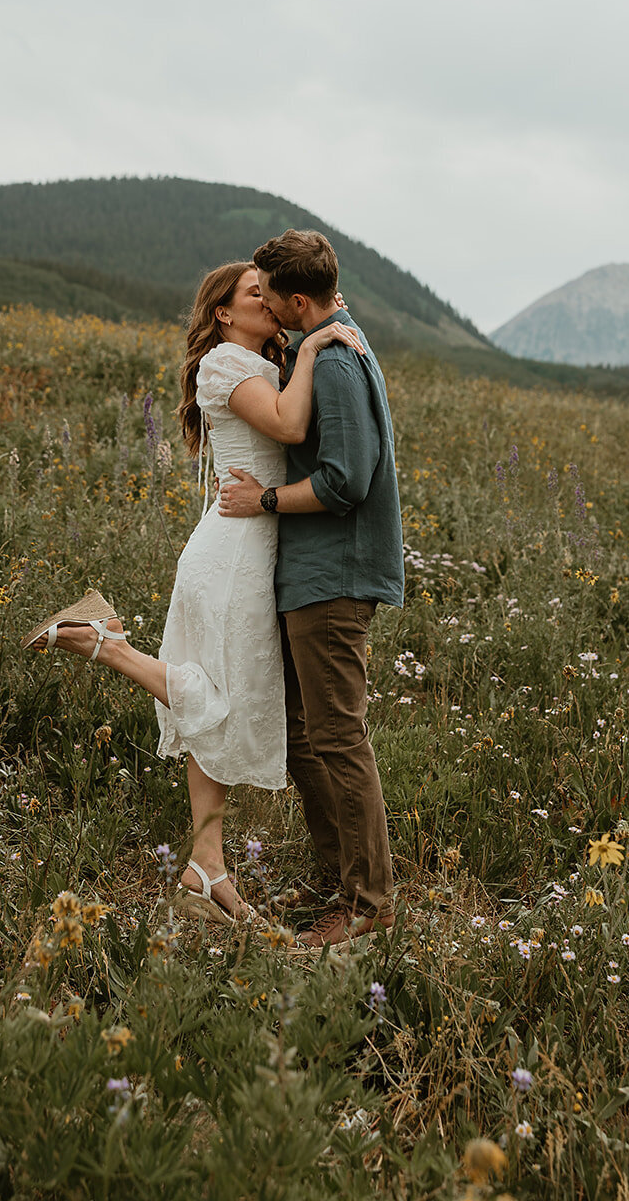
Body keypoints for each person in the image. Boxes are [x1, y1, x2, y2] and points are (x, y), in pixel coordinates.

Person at [22, 260, 364, 926]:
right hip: (233, 553)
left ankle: (205, 868)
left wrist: (312, 327)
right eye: (252, 294)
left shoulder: (265, 360)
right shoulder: (223, 366)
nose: (265, 302)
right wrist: (320, 340)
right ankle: (102, 644)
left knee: (218, 694)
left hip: (251, 546)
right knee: (228, 700)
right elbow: (291, 430)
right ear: (222, 314)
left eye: (270, 293)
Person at [218, 229, 404, 947]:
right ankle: (340, 879)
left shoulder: (334, 364)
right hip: (310, 574)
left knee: (336, 738)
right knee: (306, 738)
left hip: (335, 574)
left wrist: (263, 500)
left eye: (267, 294)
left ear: (299, 299)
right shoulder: (319, 345)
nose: (259, 302)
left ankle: (367, 902)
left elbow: (344, 481)